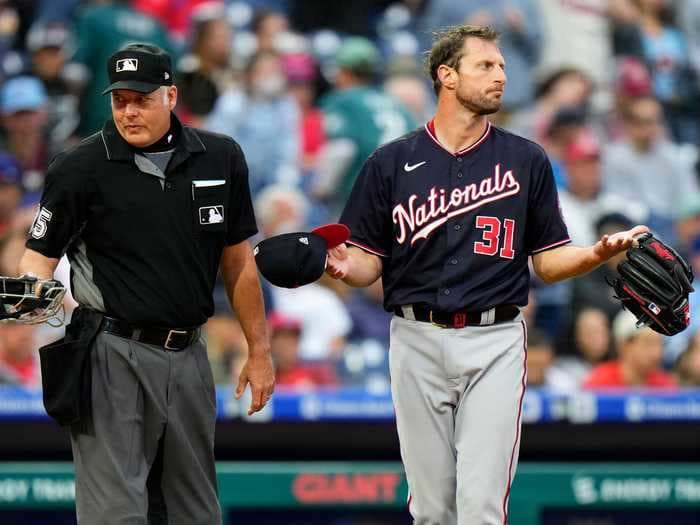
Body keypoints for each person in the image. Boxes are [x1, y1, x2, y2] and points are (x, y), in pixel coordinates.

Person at [325, 25, 648, 524]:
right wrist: (343, 266)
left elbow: (548, 259)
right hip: (415, 336)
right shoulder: (391, 162)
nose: (501, 76)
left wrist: (594, 254)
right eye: (486, 66)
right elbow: (367, 263)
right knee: (431, 511)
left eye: (501, 66)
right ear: (446, 76)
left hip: (494, 339)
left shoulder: (525, 159)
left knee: (480, 509)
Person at [18, 43, 274, 524]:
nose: (129, 111)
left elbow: (238, 262)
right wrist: (30, 311)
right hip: (111, 351)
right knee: (116, 514)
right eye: (120, 101)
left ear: (171, 96)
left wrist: (259, 350)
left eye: (142, 99)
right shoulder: (79, 168)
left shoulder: (219, 157)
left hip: (191, 353)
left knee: (195, 512)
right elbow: (36, 259)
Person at [583, 309, 676, 389]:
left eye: (660, 344)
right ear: (624, 346)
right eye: (648, 343)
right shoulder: (600, 383)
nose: (657, 353)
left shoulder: (664, 385)